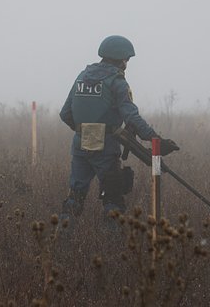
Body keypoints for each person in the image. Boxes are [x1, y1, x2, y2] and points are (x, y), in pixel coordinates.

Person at [59, 35, 179, 230]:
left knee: (75, 197)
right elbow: (132, 118)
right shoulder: (117, 82)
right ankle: (113, 250)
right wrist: (157, 140)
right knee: (113, 199)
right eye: (127, 60)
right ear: (121, 59)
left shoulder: (82, 76)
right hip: (105, 147)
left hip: (80, 143)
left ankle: (61, 240)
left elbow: (65, 114)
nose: (127, 64)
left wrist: (85, 130)